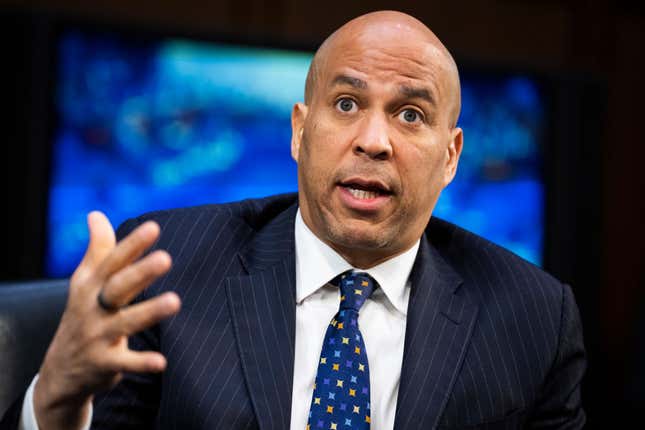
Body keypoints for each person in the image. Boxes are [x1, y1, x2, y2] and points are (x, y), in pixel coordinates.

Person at [2, 10, 586, 430]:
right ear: (300, 132)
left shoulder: (534, 318)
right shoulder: (164, 269)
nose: (374, 141)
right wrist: (53, 402)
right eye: (348, 104)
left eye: (410, 114)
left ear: (451, 156)